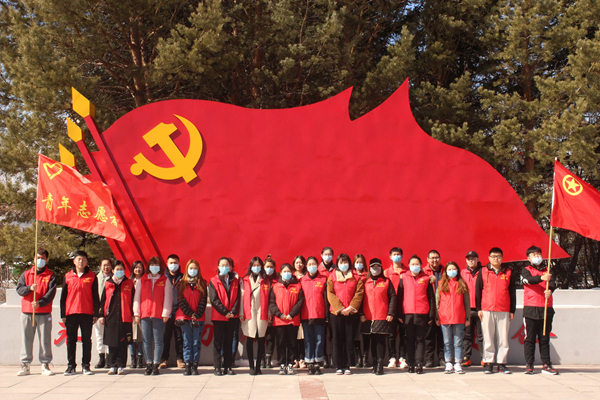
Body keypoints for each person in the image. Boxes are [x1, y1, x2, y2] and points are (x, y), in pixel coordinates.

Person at [16, 248, 57, 376]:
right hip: (28, 311)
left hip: (44, 312)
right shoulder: (26, 274)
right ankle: (25, 364)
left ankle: (45, 363)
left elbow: (51, 294)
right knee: (26, 339)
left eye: (42, 258)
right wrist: (29, 288)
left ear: (46, 259)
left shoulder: (51, 275)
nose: (40, 260)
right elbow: (19, 290)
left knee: (45, 340)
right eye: (38, 258)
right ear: (34, 259)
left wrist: (40, 303)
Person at [476, 247, 516, 374]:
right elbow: (478, 290)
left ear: (502, 258)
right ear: (489, 258)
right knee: (488, 337)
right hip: (486, 309)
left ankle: (501, 363)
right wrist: (479, 309)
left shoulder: (508, 272)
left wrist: (512, 310)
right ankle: (488, 363)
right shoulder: (483, 271)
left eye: (498, 256)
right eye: (493, 256)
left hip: (504, 309)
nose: (496, 259)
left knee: (503, 338)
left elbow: (512, 292)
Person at [60, 250, 100, 376]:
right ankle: (71, 365)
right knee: (71, 340)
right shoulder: (67, 276)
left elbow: (96, 296)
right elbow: (63, 297)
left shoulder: (92, 276)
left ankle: (86, 365)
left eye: (83, 259)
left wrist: (95, 313)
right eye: (78, 259)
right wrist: (63, 314)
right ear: (74, 261)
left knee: (86, 340)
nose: (81, 261)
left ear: (86, 261)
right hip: (71, 313)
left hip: (87, 312)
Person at [133, 256, 173, 376]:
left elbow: (168, 298)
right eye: (152, 265)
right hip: (145, 314)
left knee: (158, 341)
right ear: (148, 267)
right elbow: (137, 297)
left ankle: (156, 364)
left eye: (156, 265)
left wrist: (166, 312)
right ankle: (148, 363)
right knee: (146, 340)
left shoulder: (165, 280)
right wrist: (136, 313)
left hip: (158, 315)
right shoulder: (143, 280)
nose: (154, 267)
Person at [521, 245, 558, 375]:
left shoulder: (548, 270)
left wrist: (550, 290)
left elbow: (553, 283)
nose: (537, 257)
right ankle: (529, 364)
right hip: (531, 307)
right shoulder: (526, 270)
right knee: (530, 338)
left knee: (544, 338)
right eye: (533, 255)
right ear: (528, 258)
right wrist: (541, 278)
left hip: (546, 307)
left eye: (538, 254)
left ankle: (546, 364)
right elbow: (527, 280)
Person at [327, 253, 365, 375]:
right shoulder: (332, 276)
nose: (343, 264)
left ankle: (347, 365)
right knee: (337, 339)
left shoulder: (356, 277)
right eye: (341, 262)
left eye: (345, 262)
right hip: (336, 313)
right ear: (337, 264)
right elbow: (330, 293)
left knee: (349, 339)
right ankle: (338, 365)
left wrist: (350, 308)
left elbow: (359, 293)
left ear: (349, 263)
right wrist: (340, 308)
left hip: (351, 313)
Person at [397, 255, 435, 374]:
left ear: (421, 265)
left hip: (422, 313)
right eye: (412, 264)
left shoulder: (426, 278)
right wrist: (399, 314)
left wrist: (431, 314)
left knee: (420, 339)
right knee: (409, 339)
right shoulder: (404, 277)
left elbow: (431, 298)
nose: (415, 266)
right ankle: (411, 363)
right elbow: (399, 297)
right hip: (407, 313)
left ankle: (419, 363)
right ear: (409, 265)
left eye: (417, 264)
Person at [360, 258, 396, 375]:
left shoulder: (386, 281)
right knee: (372, 341)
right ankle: (374, 363)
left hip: (382, 316)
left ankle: (380, 365)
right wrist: (361, 314)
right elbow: (359, 299)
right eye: (373, 267)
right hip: (368, 317)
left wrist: (390, 313)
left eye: (378, 267)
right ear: (369, 268)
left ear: (381, 268)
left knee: (380, 341)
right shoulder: (365, 282)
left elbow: (393, 298)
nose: (375, 269)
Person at [99, 260, 134, 375]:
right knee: (112, 342)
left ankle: (121, 365)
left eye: (121, 269)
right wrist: (101, 315)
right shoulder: (108, 283)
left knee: (123, 342)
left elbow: (133, 299)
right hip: (111, 317)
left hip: (125, 316)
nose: (119, 271)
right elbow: (103, 300)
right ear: (113, 270)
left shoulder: (129, 283)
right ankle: (113, 365)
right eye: (117, 269)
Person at [436, 261, 470, 374]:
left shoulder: (462, 284)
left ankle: (458, 363)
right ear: (445, 272)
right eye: (449, 269)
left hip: (459, 317)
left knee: (458, 342)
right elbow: (437, 301)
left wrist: (468, 318)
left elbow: (467, 302)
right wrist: (437, 316)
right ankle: (448, 362)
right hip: (445, 317)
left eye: (454, 269)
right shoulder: (441, 284)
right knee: (447, 342)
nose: (452, 271)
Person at [270, 263, 305, 375]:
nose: (286, 273)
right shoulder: (275, 286)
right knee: (280, 343)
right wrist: (279, 314)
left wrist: (292, 314)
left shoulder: (298, 286)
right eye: (284, 271)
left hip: (292, 320)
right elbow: (272, 303)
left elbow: (300, 302)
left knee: (292, 343)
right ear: (280, 273)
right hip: (279, 320)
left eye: (288, 271)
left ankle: (290, 364)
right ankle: (282, 365)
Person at [175, 259, 208, 376]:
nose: (192, 270)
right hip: (185, 317)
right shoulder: (181, 283)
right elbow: (181, 300)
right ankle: (187, 364)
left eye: (195, 268)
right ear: (186, 269)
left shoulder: (202, 283)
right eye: (190, 268)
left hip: (199, 318)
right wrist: (190, 313)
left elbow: (203, 301)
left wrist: (197, 314)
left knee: (196, 342)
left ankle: (195, 365)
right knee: (186, 342)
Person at [209, 257, 240, 376]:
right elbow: (214, 299)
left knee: (229, 342)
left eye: (227, 265)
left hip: (232, 316)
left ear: (231, 267)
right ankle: (217, 367)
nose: (224, 267)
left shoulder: (235, 281)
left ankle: (228, 366)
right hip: (219, 316)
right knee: (218, 342)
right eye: (222, 265)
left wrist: (233, 311)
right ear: (218, 266)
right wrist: (224, 312)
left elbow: (238, 298)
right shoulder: (213, 281)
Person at [240, 256, 270, 375]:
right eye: (254, 265)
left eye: (258, 265)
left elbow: (270, 298)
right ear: (250, 266)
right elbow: (241, 297)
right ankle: (251, 366)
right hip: (249, 312)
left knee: (261, 339)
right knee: (250, 339)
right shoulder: (245, 280)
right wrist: (241, 313)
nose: (256, 267)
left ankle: (258, 366)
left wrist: (269, 312)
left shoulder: (266, 280)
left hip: (262, 311)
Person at [300, 256, 328, 375]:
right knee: (308, 340)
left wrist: (326, 315)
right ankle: (309, 363)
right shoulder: (302, 280)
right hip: (306, 315)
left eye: (314, 264)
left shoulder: (323, 279)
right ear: (306, 266)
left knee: (319, 340)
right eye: (309, 264)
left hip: (319, 314)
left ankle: (318, 363)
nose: (312, 266)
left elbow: (326, 299)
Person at [384, 247, 408, 369]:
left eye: (398, 254)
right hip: (391, 309)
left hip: (405, 308)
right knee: (391, 335)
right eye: (394, 254)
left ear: (402, 256)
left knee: (404, 335)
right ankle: (392, 358)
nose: (396, 256)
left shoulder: (408, 271)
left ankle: (402, 358)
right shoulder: (386, 273)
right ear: (390, 257)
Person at [160, 254, 184, 369]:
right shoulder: (162, 277)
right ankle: (164, 359)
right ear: (167, 264)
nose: (173, 265)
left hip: (179, 311)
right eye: (171, 263)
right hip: (166, 312)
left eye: (175, 263)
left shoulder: (183, 277)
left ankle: (180, 359)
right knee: (165, 337)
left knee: (180, 337)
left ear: (179, 264)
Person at [423, 250, 445, 367]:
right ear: (428, 259)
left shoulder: (445, 271)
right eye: (432, 258)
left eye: (436, 257)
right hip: (430, 307)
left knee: (442, 335)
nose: (434, 260)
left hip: (444, 306)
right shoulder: (423, 272)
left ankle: (442, 359)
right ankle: (429, 360)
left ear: (440, 259)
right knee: (429, 335)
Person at [461, 251, 482, 367]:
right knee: (467, 335)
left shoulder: (483, 272)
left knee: (481, 335)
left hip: (480, 309)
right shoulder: (462, 273)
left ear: (477, 259)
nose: (471, 261)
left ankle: (484, 358)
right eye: (469, 259)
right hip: (467, 309)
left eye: (473, 258)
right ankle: (466, 358)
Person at [94, 258, 113, 369]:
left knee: (109, 335)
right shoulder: (95, 279)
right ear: (100, 266)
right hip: (98, 311)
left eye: (108, 265)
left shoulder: (114, 279)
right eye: (104, 265)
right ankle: (101, 358)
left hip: (110, 311)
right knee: (99, 335)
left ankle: (109, 358)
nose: (106, 267)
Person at [353, 254, 371, 368]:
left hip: (366, 309)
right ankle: (358, 357)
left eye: (361, 262)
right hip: (354, 310)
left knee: (366, 334)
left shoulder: (368, 276)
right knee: (355, 335)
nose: (359, 264)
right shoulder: (351, 276)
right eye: (357, 262)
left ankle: (365, 357)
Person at [262, 255, 278, 368]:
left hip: (273, 313)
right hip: (262, 313)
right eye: (267, 267)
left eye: (271, 267)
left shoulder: (277, 280)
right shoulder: (261, 280)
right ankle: (261, 359)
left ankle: (268, 359)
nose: (269, 269)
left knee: (270, 337)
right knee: (261, 337)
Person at [128, 260, 145, 368]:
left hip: (143, 312)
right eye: (136, 267)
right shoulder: (129, 282)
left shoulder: (145, 281)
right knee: (132, 337)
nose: (138, 269)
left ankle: (140, 359)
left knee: (141, 337)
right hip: (131, 313)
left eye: (140, 267)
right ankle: (133, 358)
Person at [292, 255, 307, 369]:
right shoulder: (291, 277)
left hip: (305, 309)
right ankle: (295, 358)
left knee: (302, 336)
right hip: (293, 310)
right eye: (297, 262)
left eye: (301, 262)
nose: (299, 264)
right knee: (294, 336)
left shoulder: (307, 276)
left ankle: (302, 358)